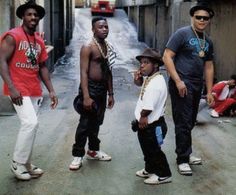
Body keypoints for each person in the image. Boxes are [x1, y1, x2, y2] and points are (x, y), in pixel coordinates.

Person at [0, 1, 58, 181]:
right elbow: (1, 61)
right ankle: (17, 162)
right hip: (18, 89)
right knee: (30, 123)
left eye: (36, 15)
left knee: (32, 126)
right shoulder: (12, 36)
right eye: (29, 14)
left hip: (34, 88)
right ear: (23, 17)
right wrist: (11, 87)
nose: (33, 17)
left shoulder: (39, 40)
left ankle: (26, 162)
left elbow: (42, 67)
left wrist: (51, 90)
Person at [162, 1, 215, 176]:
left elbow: (208, 66)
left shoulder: (208, 41)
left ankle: (186, 152)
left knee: (190, 121)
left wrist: (209, 91)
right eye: (198, 17)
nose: (202, 20)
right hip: (182, 84)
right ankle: (182, 159)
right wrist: (177, 81)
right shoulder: (182, 34)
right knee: (183, 122)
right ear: (192, 17)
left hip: (197, 84)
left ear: (209, 20)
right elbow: (167, 57)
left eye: (205, 18)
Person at [69, 17, 115, 170]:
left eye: (106, 27)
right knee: (85, 123)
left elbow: (108, 71)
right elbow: (83, 72)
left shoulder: (106, 46)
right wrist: (86, 96)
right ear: (93, 29)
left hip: (102, 90)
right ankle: (77, 155)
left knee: (97, 122)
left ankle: (93, 150)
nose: (104, 29)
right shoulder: (88, 47)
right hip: (90, 89)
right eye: (101, 27)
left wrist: (111, 93)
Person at [133, 48, 172, 185]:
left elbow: (148, 107)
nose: (142, 65)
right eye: (141, 62)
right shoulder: (151, 77)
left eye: (146, 62)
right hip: (148, 123)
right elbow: (143, 89)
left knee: (154, 150)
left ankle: (164, 174)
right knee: (146, 148)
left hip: (152, 124)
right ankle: (150, 169)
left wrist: (143, 117)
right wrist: (138, 81)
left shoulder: (155, 83)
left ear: (155, 65)